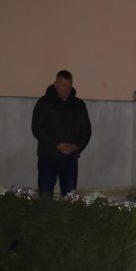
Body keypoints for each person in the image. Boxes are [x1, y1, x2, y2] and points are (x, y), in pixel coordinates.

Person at [31, 70, 92, 198]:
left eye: (69, 85)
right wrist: (55, 145)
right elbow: (37, 128)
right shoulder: (44, 103)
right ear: (56, 84)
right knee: (45, 195)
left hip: (70, 159)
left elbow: (86, 130)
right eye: (63, 85)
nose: (66, 89)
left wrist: (76, 146)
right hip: (48, 156)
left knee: (69, 196)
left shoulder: (79, 105)